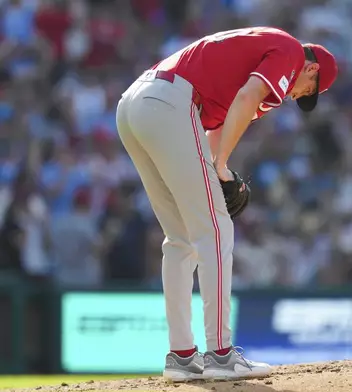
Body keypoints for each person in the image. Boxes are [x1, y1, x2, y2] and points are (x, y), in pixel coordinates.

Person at [115, 26, 338, 381]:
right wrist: (219, 167)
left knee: (181, 238)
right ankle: (220, 355)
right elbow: (248, 97)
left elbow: (222, 122)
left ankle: (182, 357)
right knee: (216, 230)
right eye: (308, 90)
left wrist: (220, 167)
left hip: (135, 106)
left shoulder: (263, 56)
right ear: (311, 70)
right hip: (170, 102)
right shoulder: (292, 52)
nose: (299, 96)